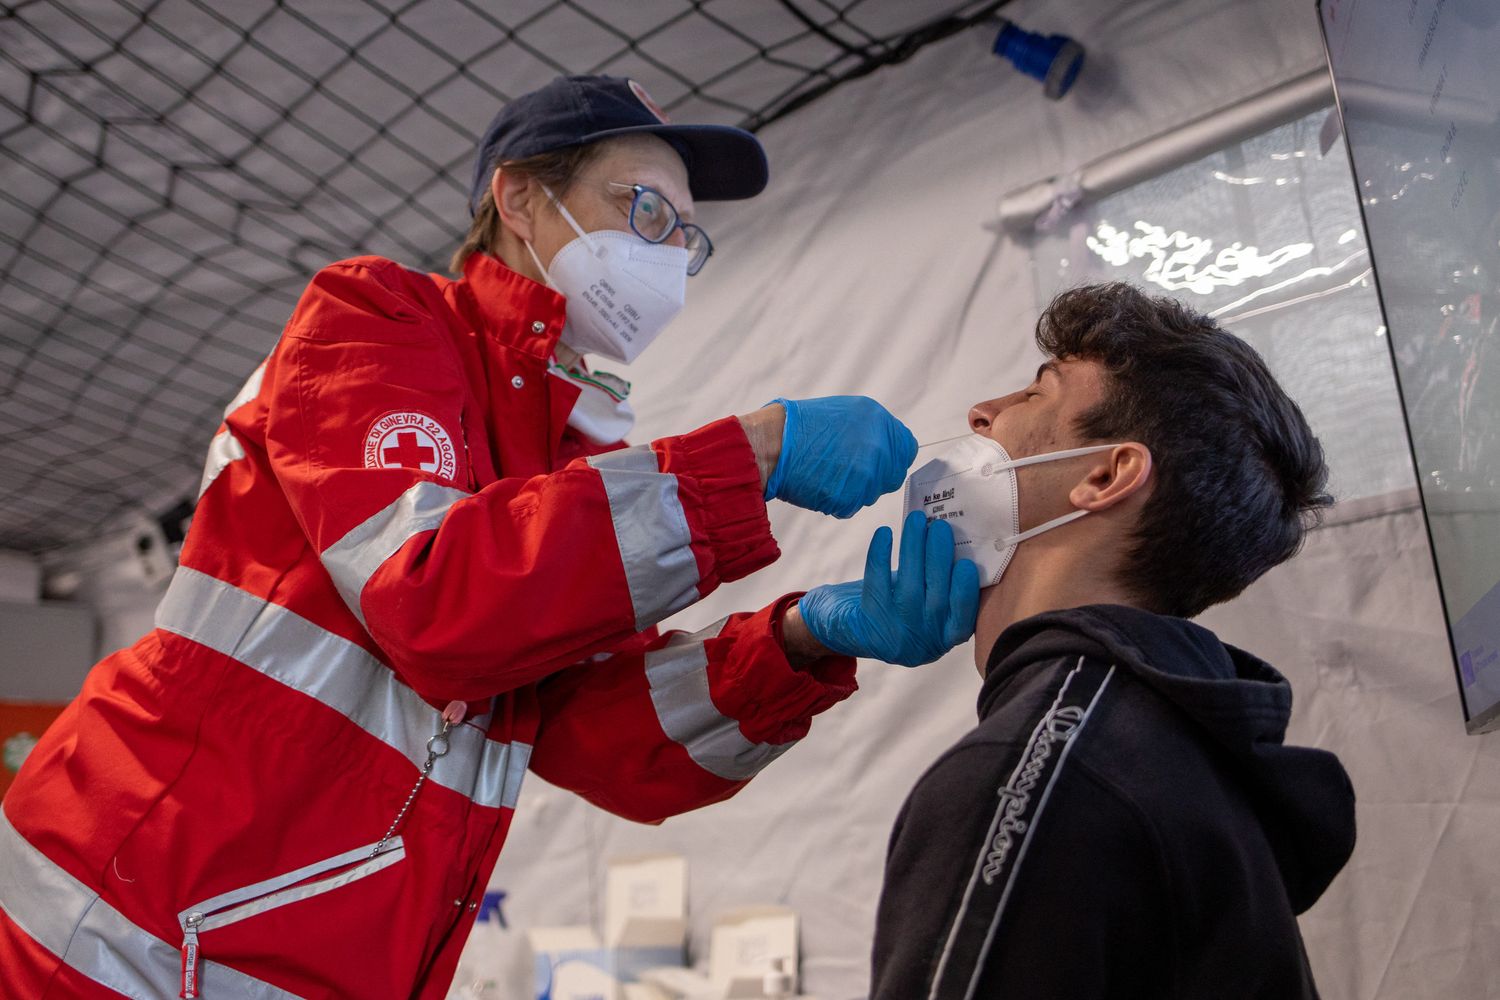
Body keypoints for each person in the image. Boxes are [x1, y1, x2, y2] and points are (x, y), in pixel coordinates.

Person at [0, 75, 976, 998]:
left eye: (688, 235)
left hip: (273, 949)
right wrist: (750, 453)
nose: (671, 252)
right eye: (644, 210)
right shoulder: (377, 320)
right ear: (518, 199)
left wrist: (806, 638)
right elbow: (431, 599)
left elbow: (604, 744)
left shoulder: (565, 459)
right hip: (115, 922)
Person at [867, 283, 1357, 1000]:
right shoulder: (1175, 746)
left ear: (1106, 475)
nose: (981, 413)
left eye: (1037, 394)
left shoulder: (1029, 776)